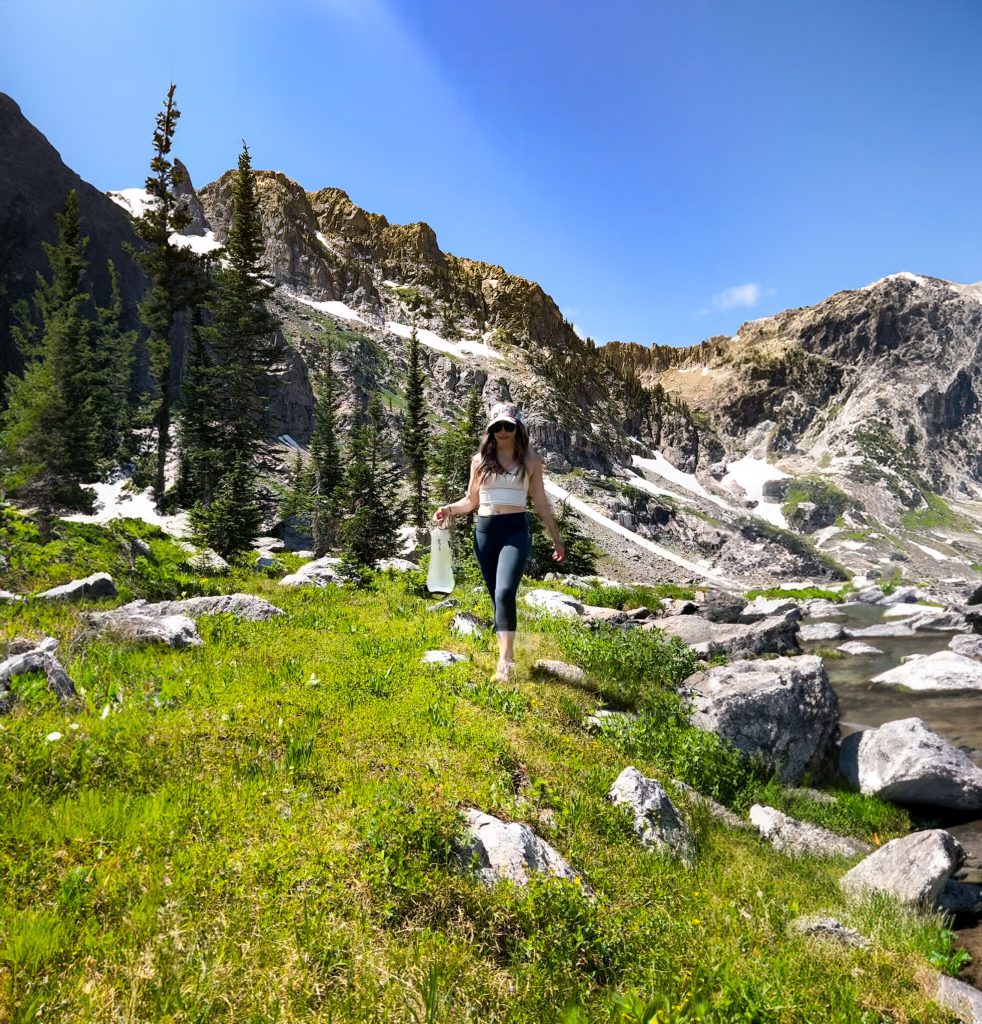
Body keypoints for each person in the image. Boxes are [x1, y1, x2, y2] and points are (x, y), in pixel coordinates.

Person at [435, 401, 564, 681]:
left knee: (505, 592)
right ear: (491, 430)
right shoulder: (479, 461)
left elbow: (540, 501)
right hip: (485, 531)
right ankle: (505, 648)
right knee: (496, 595)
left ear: (517, 428)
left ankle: (506, 662)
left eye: (509, 426)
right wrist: (448, 509)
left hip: (515, 530)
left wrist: (556, 538)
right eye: (497, 426)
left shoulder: (531, 460)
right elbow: (471, 501)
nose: (503, 431)